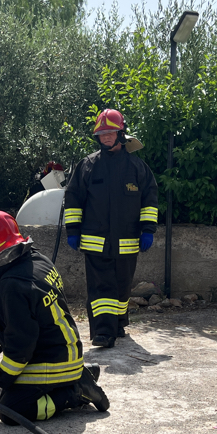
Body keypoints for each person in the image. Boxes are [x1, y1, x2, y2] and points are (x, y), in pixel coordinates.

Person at [0, 210, 109, 425]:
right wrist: (5, 336)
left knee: (9, 407)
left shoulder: (11, 285)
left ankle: (74, 392)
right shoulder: (38, 260)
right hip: (67, 352)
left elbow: (21, 348)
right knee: (13, 389)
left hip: (52, 361)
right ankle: (76, 375)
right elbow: (38, 315)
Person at [63, 109, 159, 347]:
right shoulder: (88, 166)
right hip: (95, 243)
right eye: (102, 133)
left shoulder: (137, 168)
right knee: (100, 288)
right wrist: (73, 231)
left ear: (121, 133)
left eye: (110, 132)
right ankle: (103, 333)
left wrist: (148, 229)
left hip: (128, 242)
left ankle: (118, 323)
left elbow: (150, 198)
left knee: (122, 286)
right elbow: (73, 199)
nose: (105, 137)